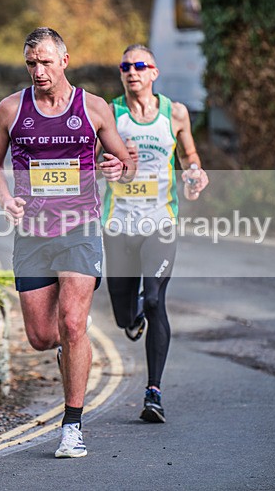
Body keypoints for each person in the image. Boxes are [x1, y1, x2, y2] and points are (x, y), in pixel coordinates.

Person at [0, 27, 135, 458]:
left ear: (64, 61)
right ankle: (72, 345)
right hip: (31, 233)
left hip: (79, 228)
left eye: (46, 62)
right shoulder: (11, 109)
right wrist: (6, 199)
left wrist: (114, 168)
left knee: (71, 322)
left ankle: (72, 426)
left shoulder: (94, 108)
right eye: (31, 63)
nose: (39, 70)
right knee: (42, 337)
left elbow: (124, 163)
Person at [100, 44, 209, 423]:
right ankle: (131, 319)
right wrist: (109, 165)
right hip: (118, 225)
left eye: (140, 65)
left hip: (159, 222)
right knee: (123, 314)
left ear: (154, 72)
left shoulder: (175, 113)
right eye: (125, 66)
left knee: (155, 301)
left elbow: (188, 156)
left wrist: (195, 174)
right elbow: (97, 163)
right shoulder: (109, 113)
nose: (132, 71)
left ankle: (154, 392)